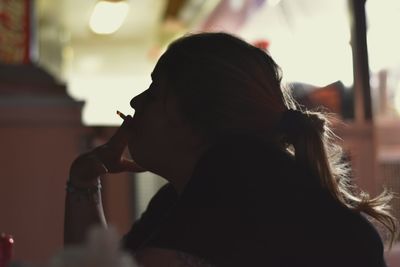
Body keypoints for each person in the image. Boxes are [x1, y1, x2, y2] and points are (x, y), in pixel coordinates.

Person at [64, 32, 398, 267]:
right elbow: (99, 261)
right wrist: (84, 176)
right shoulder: (180, 196)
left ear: (194, 118)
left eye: (153, 93)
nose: (136, 102)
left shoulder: (239, 167)